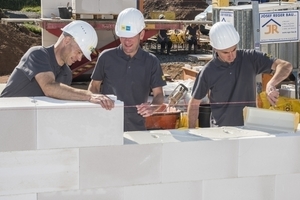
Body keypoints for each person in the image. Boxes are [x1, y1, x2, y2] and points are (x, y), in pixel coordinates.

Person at [187, 22, 292, 128]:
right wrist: (190, 133)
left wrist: (271, 83)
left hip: (250, 128)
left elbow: (285, 66)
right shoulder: (208, 71)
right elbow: (194, 103)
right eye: (226, 53)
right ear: (215, 49)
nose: (231, 56)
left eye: (234, 49)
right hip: (221, 132)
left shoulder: (250, 58)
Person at [0, 20, 114, 110]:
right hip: (6, 118)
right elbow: (49, 87)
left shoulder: (66, 74)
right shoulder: (38, 54)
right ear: (67, 41)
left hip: (29, 125)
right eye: (79, 52)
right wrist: (89, 96)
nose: (79, 58)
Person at [88, 8, 166, 132]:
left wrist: (153, 107)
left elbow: (159, 95)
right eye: (123, 36)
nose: (126, 41)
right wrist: (98, 99)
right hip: (106, 126)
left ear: (141, 34)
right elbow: (94, 86)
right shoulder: (106, 57)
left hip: (137, 127)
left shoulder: (151, 61)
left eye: (130, 36)